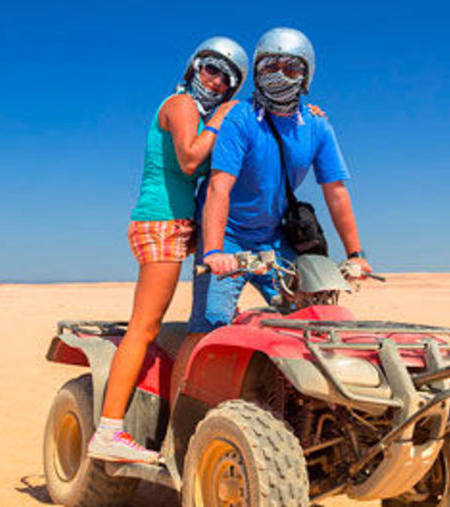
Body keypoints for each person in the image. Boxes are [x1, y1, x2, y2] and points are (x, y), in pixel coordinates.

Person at [86, 37, 250, 464]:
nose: (215, 80)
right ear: (195, 66)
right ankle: (108, 430)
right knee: (144, 327)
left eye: (226, 79)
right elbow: (190, 160)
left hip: (173, 225)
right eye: (210, 68)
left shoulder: (197, 111)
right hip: (159, 223)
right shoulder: (180, 106)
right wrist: (224, 118)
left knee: (149, 326)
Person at [190, 27, 373, 336]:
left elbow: (336, 192)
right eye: (270, 67)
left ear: (306, 75)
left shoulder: (317, 126)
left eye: (291, 68)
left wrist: (356, 255)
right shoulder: (240, 119)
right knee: (209, 326)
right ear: (258, 71)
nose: (280, 75)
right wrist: (214, 252)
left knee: (312, 320)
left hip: (277, 241)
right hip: (229, 239)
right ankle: (186, 385)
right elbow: (219, 187)